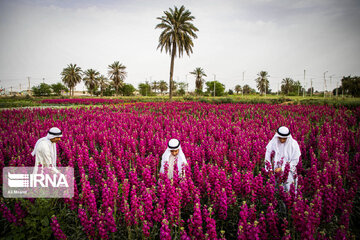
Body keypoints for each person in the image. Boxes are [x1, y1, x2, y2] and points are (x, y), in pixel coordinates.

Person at [264, 126, 301, 191]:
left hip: (289, 172)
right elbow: (267, 158)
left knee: (289, 191)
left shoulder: (294, 144)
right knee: (275, 190)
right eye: (280, 138)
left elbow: (295, 160)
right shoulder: (272, 143)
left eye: (284, 138)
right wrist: (269, 170)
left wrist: (282, 168)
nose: (282, 140)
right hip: (274, 171)